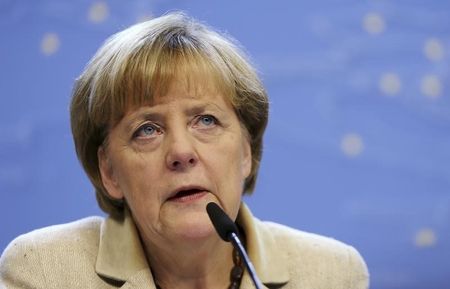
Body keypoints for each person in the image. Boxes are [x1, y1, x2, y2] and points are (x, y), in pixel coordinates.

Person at [0, 12, 369, 289]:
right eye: (147, 130)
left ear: (246, 152)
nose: (181, 151)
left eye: (205, 121)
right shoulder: (46, 271)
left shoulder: (332, 274)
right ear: (109, 171)